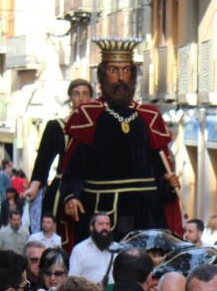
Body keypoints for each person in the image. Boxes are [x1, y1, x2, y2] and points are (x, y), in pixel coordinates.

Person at [60, 38, 183, 241]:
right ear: (102, 75)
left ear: (133, 76)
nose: (120, 78)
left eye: (126, 70)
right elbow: (72, 169)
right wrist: (71, 196)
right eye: (114, 70)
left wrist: (167, 183)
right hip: (103, 210)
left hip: (146, 212)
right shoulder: (88, 116)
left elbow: (160, 170)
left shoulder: (148, 116)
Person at [29, 78, 94, 242]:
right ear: (70, 98)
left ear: (91, 98)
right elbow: (43, 162)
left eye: (85, 94)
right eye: (76, 94)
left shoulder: (101, 127)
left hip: (91, 187)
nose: (81, 98)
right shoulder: (57, 126)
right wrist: (34, 186)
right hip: (61, 187)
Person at [69, 212, 116, 286]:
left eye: (107, 224)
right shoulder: (80, 249)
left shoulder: (116, 249)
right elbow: (73, 280)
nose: (105, 227)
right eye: (101, 224)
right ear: (91, 227)